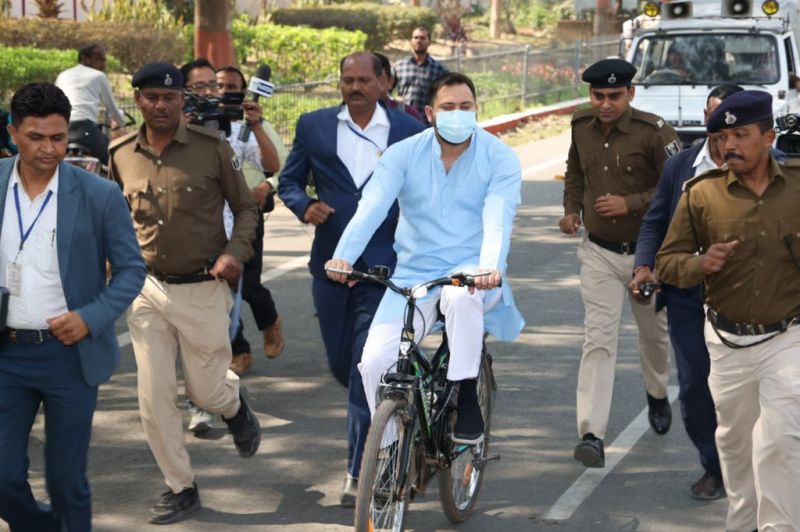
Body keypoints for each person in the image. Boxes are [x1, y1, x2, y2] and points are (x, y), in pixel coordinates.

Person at [326, 70, 524, 446]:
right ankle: (386, 456)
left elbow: (498, 216)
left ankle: (464, 390)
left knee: (458, 297)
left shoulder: (500, 157)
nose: (457, 113)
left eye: (466, 106)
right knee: (374, 363)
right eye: (448, 107)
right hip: (412, 275)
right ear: (430, 113)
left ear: (476, 109)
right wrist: (343, 258)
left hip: (473, 271)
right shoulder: (403, 154)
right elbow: (373, 207)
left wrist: (489, 269)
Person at [108, 62, 261, 525]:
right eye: (151, 96)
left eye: (169, 98)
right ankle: (181, 486)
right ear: (137, 99)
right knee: (154, 398)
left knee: (206, 390)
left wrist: (236, 252)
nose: (160, 105)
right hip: (147, 288)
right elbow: (113, 216)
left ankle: (233, 406)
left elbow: (246, 208)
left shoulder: (213, 149)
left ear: (182, 101)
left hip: (203, 287)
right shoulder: (118, 153)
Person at [278, 51, 425, 507]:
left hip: (388, 269)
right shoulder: (314, 126)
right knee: (343, 368)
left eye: (364, 79)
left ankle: (359, 469)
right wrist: (304, 205)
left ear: (385, 83)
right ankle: (400, 412)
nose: (354, 87)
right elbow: (288, 180)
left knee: (367, 368)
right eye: (347, 80)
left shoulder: (409, 132)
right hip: (332, 267)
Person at [0, 82, 145, 531]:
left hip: (70, 356)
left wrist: (91, 318)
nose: (48, 148)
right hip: (5, 355)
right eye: (35, 137)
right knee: (2, 476)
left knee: (66, 481)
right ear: (12, 133)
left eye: (58, 138)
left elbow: (131, 270)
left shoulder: (98, 195)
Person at [656, 90, 800, 532]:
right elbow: (667, 262)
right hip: (726, 342)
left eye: (741, 134)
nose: (729, 145)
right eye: (722, 136)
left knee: (780, 441)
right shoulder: (701, 195)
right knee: (736, 446)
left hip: (787, 337)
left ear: (769, 137)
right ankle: (743, 523)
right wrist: (700, 263)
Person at [559, 58, 678, 468]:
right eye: (597, 96)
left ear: (631, 93)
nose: (605, 104)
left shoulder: (655, 132)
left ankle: (657, 394)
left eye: (614, 95)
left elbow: (677, 188)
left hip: (647, 257)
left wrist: (630, 202)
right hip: (599, 252)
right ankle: (592, 434)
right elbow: (575, 171)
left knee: (653, 336)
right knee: (598, 339)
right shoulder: (580, 127)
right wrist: (572, 208)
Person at [630, 84, 745, 500]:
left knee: (742, 388)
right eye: (715, 122)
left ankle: (750, 463)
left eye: (733, 126)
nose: (722, 135)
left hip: (747, 299)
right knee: (696, 384)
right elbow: (654, 222)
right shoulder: (681, 166)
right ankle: (713, 467)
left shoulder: (768, 168)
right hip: (686, 295)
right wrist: (644, 264)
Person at [55, 44, 126, 166]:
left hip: (60, 129)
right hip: (85, 129)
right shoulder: (99, 76)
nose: (103, 64)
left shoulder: (62, 75)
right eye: (100, 59)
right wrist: (121, 122)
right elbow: (112, 109)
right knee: (113, 166)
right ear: (85, 59)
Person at [392, 27, 449, 122]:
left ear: (429, 42)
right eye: (416, 37)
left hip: (428, 124)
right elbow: (385, 91)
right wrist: (394, 100)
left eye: (422, 38)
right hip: (404, 121)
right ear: (411, 41)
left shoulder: (439, 69)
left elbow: (447, 96)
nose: (419, 41)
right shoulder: (399, 66)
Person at [372, 52, 425, 123]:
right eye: (362, 80)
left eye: (378, 79)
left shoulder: (409, 115)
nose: (370, 85)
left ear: (390, 81)